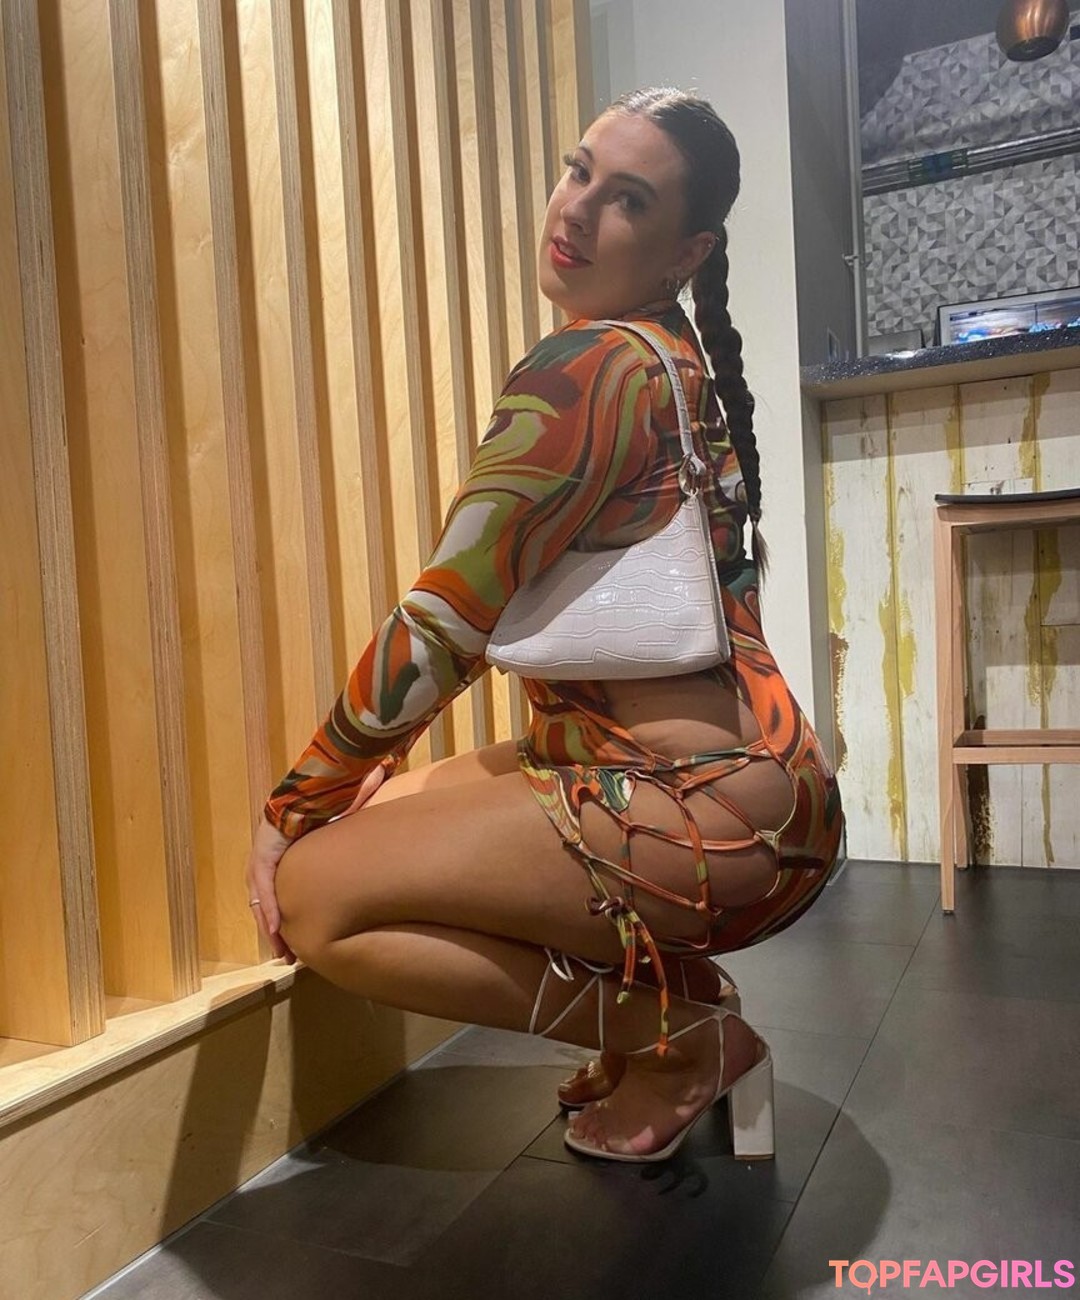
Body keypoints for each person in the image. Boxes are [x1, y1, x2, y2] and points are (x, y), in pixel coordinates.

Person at [245, 87, 844, 1162]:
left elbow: (446, 623)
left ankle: (679, 1040)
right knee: (378, 827)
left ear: (685, 252)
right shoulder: (665, 353)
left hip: (697, 814)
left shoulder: (592, 366)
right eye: (578, 171)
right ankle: (673, 997)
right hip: (745, 787)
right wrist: (352, 785)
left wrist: (296, 802)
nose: (576, 209)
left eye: (627, 200)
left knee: (315, 893)